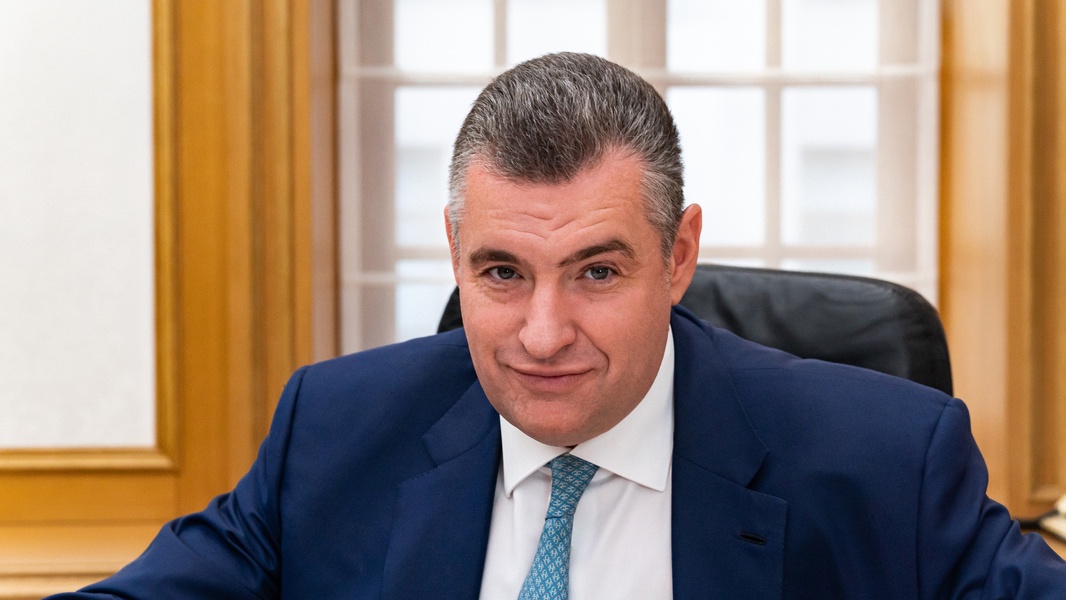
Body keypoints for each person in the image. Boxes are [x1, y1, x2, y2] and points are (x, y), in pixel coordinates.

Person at [50, 52, 1065, 599]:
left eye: (596, 272)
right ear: (455, 249)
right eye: (502, 272)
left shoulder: (885, 460)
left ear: (678, 255)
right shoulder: (336, 429)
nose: (542, 334)